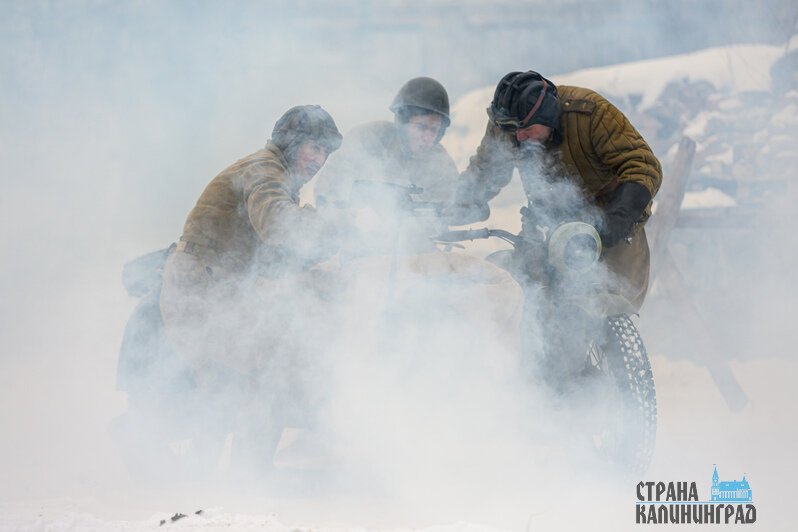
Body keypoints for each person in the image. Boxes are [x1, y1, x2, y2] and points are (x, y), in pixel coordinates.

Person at [453, 70, 662, 312]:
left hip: (609, 223)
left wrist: (608, 227)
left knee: (609, 310)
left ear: (548, 117)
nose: (519, 137)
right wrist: (449, 206)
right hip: (547, 228)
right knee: (520, 298)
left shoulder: (590, 113)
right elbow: (484, 172)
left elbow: (643, 167)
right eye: (514, 131)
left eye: (528, 129)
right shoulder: (508, 122)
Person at [313, 77, 460, 252]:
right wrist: (352, 217)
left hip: (414, 253)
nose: (427, 137)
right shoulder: (368, 139)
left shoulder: (441, 165)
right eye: (420, 127)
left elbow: (444, 217)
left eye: (434, 130)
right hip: (354, 245)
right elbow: (328, 190)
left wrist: (406, 229)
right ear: (402, 122)